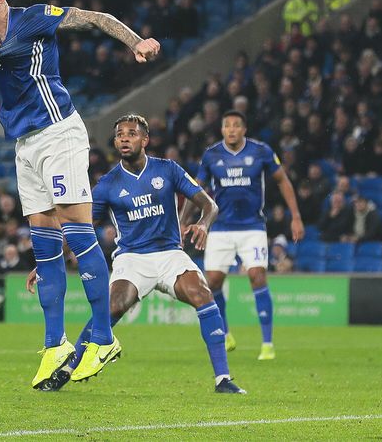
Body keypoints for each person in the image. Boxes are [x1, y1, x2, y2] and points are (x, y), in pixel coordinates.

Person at [0, 0, 160, 388]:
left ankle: (105, 338)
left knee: (76, 227)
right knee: (44, 245)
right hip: (24, 145)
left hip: (58, 133)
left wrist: (136, 41)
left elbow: (96, 18)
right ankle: (56, 345)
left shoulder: (34, 16)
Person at [38, 114, 245, 394]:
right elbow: (82, 229)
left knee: (204, 296)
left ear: (145, 140)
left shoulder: (168, 169)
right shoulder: (108, 184)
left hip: (170, 253)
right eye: (120, 134)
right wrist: (50, 263)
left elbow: (209, 205)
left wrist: (203, 224)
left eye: (132, 133)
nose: (124, 138)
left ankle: (223, 379)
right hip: (132, 259)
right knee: (112, 307)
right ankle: (68, 368)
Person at [190, 110, 304, 361]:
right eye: (227, 125)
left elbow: (283, 181)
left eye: (236, 125)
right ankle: (226, 333)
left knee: (257, 276)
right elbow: (196, 189)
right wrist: (188, 220)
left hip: (253, 227)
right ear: (222, 129)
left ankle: (267, 344)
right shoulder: (211, 155)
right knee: (214, 283)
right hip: (220, 228)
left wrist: (295, 216)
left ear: (244, 129)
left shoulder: (261, 151)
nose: (231, 129)